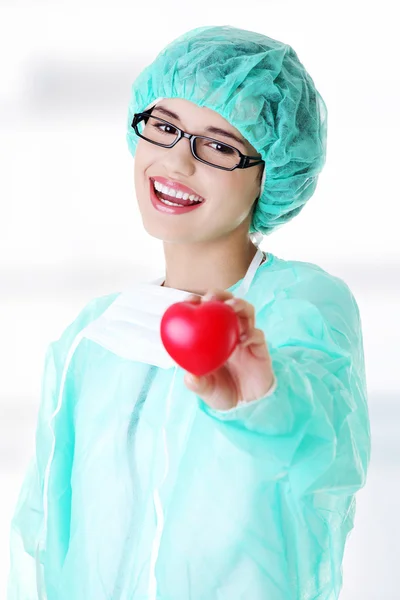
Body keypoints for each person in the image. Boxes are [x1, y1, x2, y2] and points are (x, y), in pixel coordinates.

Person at [8, 25, 371, 599]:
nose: (177, 161)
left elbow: (323, 446)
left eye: (220, 144)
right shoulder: (98, 332)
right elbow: (47, 526)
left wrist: (261, 396)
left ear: (268, 173)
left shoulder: (298, 304)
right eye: (164, 127)